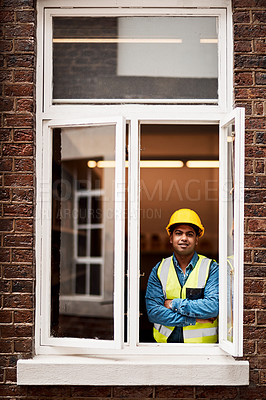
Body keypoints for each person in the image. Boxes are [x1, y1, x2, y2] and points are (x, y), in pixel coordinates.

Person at [145, 208, 219, 343]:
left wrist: (173, 303)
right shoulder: (159, 268)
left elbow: (212, 307)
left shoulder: (211, 268)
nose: (184, 238)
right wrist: (193, 319)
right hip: (165, 347)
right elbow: (153, 312)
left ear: (196, 240)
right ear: (171, 238)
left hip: (203, 350)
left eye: (190, 234)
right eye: (178, 233)